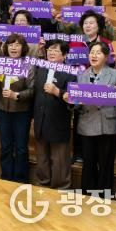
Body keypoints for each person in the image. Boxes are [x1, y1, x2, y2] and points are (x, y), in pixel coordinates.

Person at [64, 42, 116, 195]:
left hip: (106, 125)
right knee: (88, 164)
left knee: (105, 165)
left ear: (106, 57)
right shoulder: (81, 75)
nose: (94, 55)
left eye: (98, 52)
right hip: (87, 124)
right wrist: (71, 101)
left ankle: (104, 197)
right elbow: (77, 104)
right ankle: (88, 197)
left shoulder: (115, 74)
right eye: (91, 52)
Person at [32, 39, 75, 189]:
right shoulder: (41, 69)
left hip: (58, 122)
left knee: (59, 160)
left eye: (56, 50)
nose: (51, 52)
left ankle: (61, 188)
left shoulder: (71, 73)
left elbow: (74, 99)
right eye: (49, 49)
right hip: (40, 121)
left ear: (64, 55)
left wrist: (57, 92)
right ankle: (43, 184)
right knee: (42, 158)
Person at [0, 34, 35, 183]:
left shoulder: (28, 66)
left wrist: (16, 95)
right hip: (3, 110)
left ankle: (20, 179)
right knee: (5, 146)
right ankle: (6, 177)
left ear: (23, 48)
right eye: (11, 45)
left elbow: (32, 90)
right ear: (6, 47)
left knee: (21, 148)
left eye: (17, 45)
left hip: (21, 112)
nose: (13, 48)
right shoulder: (1, 64)